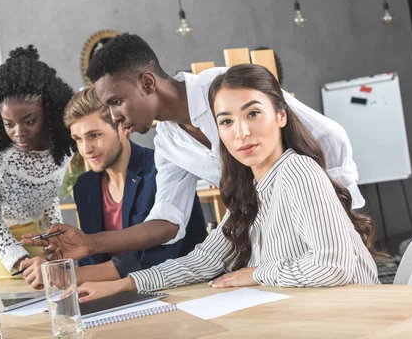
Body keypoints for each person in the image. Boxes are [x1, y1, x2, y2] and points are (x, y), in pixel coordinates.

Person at [22, 33, 364, 262]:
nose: (114, 116)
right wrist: (89, 243)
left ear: (147, 82)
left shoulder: (225, 86)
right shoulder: (168, 142)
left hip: (323, 233)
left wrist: (335, 210)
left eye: (116, 101)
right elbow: (168, 222)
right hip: (268, 246)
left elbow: (330, 136)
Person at [76, 64, 380, 301]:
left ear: (281, 117)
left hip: (353, 316)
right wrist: (122, 285)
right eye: (226, 121)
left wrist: (258, 274)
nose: (242, 132)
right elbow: (202, 261)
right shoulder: (250, 192)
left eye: (253, 114)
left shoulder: (297, 170)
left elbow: (334, 266)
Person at [19, 87, 207, 289]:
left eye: (94, 135)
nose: (85, 149)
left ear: (123, 127)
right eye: (78, 139)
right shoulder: (85, 187)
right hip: (118, 296)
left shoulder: (162, 171)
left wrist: (65, 274)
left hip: (185, 290)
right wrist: (56, 267)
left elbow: (154, 259)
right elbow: (91, 260)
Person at [0, 45, 75, 279]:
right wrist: (22, 262)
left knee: (54, 290)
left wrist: (57, 249)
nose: (18, 132)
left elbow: (49, 198)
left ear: (49, 112)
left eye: (29, 121)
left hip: (33, 236)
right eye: (9, 123)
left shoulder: (63, 143)